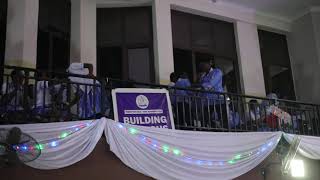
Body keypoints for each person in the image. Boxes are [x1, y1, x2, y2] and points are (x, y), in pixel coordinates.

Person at [198, 61, 227, 129]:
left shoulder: (217, 71)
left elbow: (211, 84)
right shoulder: (203, 76)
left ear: (209, 64)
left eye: (203, 65)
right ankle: (208, 132)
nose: (202, 67)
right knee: (204, 119)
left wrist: (201, 86)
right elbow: (200, 87)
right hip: (207, 101)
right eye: (201, 66)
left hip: (218, 99)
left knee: (222, 118)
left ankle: (225, 133)